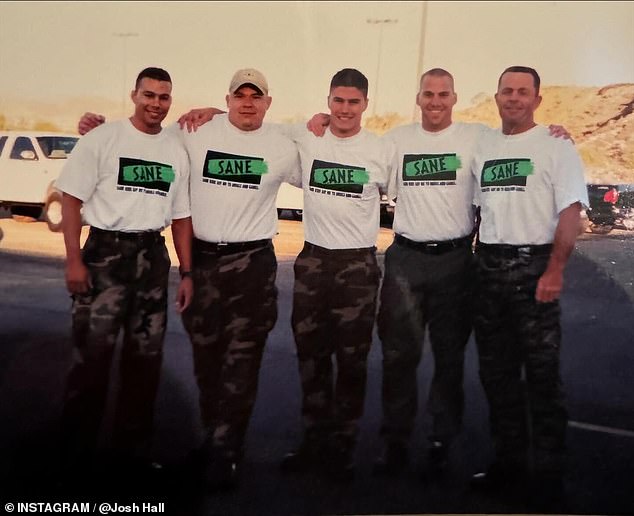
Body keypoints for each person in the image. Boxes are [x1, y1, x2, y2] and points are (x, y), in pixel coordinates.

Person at [307, 68, 571, 481]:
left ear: (454, 98)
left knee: (449, 359)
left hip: (456, 262)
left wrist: (554, 131)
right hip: (406, 260)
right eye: (428, 94)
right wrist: (320, 120)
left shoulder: (477, 139)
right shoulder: (395, 141)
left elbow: (521, 136)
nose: (435, 101)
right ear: (418, 98)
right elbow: (351, 149)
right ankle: (395, 441)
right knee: (399, 356)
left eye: (443, 94)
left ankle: (440, 442)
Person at [78, 68, 300, 491]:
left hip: (252, 263)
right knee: (207, 358)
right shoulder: (195, 132)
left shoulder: (283, 143)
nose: (248, 103)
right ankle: (212, 439)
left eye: (257, 96)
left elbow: (327, 157)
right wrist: (95, 129)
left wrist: (325, 125)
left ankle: (227, 453)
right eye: (240, 96)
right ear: (229, 98)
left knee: (242, 361)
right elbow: (146, 139)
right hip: (203, 263)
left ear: (268, 102)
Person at [56, 67, 193, 486]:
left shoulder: (175, 148)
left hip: (151, 258)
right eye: (149, 95)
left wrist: (187, 271)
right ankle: (74, 457)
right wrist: (74, 260)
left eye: (164, 97)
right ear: (134, 95)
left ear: (171, 100)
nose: (156, 103)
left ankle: (131, 455)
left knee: (145, 363)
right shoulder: (103, 139)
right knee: (91, 361)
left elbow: (182, 216)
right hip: (104, 256)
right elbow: (71, 200)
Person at [469, 66, 588, 505]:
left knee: (541, 375)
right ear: (496, 97)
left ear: (538, 99)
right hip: (490, 267)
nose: (514, 98)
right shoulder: (484, 146)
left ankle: (549, 472)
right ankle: (509, 464)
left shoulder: (555, 146)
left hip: (533, 266)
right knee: (496, 375)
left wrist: (555, 270)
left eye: (523, 92)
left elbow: (571, 213)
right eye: (507, 91)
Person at [275, 68, 396, 482]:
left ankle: (342, 448)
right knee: (311, 357)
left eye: (353, 102)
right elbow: (252, 128)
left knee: (352, 361)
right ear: (328, 102)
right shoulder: (309, 139)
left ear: (365, 104)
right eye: (338, 101)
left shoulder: (380, 150)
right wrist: (207, 112)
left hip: (357, 266)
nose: (345, 110)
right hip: (312, 262)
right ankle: (313, 442)